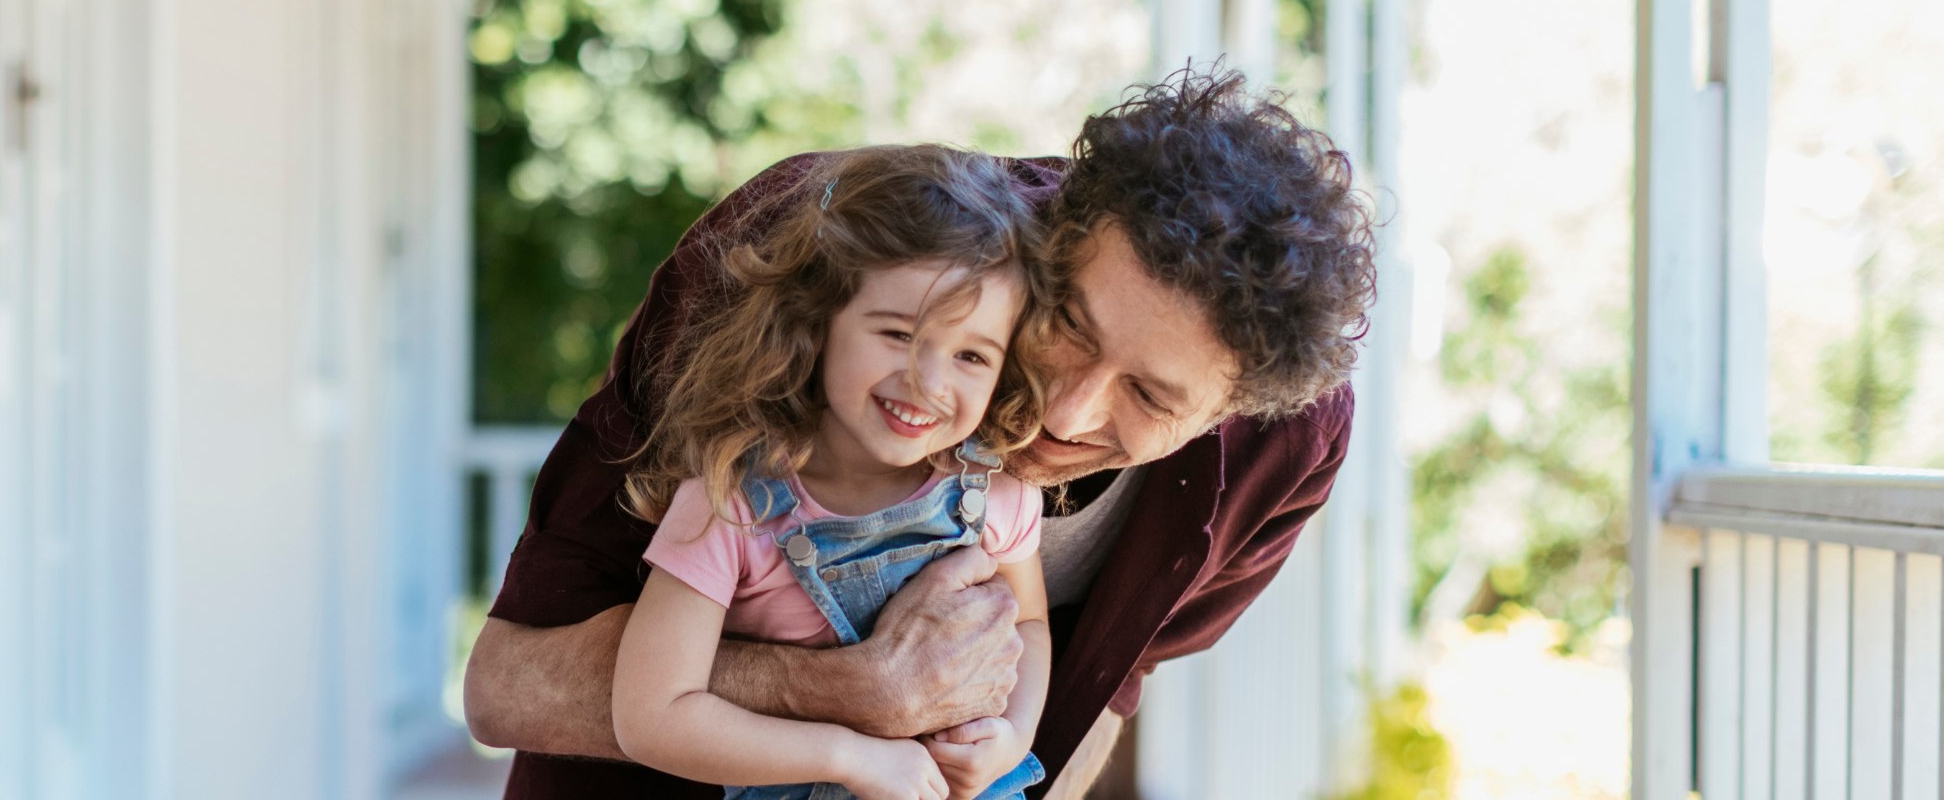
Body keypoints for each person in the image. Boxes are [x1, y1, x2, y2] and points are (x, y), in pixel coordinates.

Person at [463, 67, 1379, 799]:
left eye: (1149, 396)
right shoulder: (823, 252)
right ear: (1052, 235)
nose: (1067, 416)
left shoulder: (1286, 450)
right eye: (1068, 323)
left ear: (1234, 413)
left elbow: (1100, 690)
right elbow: (505, 685)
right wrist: (853, 696)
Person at [608, 146, 1058, 800]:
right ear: (818, 321)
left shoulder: (998, 494)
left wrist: (1013, 736)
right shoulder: (730, 503)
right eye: (899, 335)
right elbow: (650, 717)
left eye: (970, 355)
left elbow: (1027, 628)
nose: (927, 382)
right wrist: (850, 757)